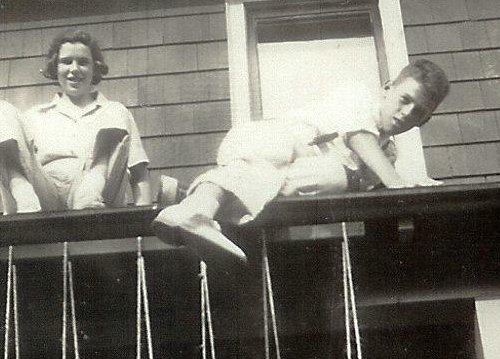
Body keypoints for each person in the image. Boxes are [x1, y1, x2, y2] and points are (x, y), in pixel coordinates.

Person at [151, 59, 450, 264]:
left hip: (292, 174)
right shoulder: (357, 95)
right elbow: (360, 138)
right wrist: (399, 184)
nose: (406, 114)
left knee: (278, 187)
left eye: (418, 112)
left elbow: (370, 182)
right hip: (277, 139)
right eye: (404, 100)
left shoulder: (388, 156)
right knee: (262, 164)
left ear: (425, 120)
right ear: (387, 88)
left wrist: (416, 189)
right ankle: (195, 210)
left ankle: (186, 202)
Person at [0, 30, 151, 214]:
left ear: (95, 69)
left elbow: (139, 174)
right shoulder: (35, 116)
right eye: (66, 62)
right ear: (55, 67)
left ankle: (91, 188)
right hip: (45, 195)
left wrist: (143, 223)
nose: (74, 69)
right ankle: (21, 190)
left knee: (115, 110)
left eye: (83, 62)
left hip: (100, 194)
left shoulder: (113, 112)